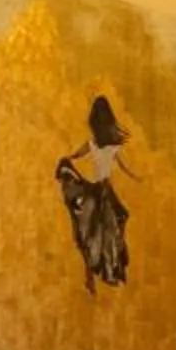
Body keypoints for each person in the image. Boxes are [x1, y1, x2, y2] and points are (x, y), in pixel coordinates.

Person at [55, 93, 139, 293]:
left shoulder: (93, 143)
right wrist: (136, 177)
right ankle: (113, 262)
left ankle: (91, 275)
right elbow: (124, 167)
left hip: (94, 189)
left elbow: (75, 155)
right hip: (105, 190)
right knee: (117, 221)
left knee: (90, 232)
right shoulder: (112, 146)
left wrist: (65, 159)